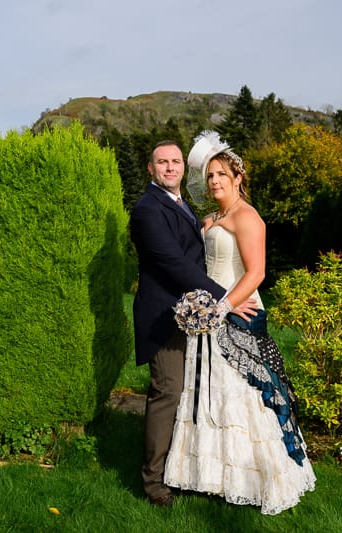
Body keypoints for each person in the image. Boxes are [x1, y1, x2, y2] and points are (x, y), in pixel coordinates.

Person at [164, 131, 316, 515]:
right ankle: (208, 476)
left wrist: (224, 307)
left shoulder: (248, 217)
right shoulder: (211, 218)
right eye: (210, 175)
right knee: (207, 390)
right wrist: (202, 306)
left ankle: (256, 477)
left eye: (222, 175)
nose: (215, 181)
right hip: (209, 317)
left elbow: (257, 272)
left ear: (238, 179)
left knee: (243, 395)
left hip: (237, 312)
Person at [130, 140, 254, 508]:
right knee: (167, 393)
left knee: (190, 394)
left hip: (191, 316)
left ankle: (179, 468)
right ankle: (153, 483)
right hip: (163, 319)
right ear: (150, 169)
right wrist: (226, 299)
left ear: (183, 167)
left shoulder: (181, 204)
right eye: (162, 162)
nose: (169, 167)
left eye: (175, 161)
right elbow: (174, 264)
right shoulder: (147, 209)